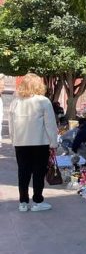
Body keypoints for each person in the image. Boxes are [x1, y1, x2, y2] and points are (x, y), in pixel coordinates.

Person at [8, 74, 59, 212]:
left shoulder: (15, 102)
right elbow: (50, 125)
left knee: (23, 172)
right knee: (38, 172)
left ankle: (23, 202)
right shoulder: (43, 101)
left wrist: (14, 140)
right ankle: (38, 200)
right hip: (39, 142)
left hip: (21, 142)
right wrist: (53, 143)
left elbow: (11, 124)